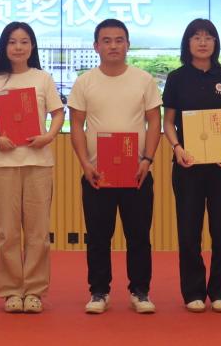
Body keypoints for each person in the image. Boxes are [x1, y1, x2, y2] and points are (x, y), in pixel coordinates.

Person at [68, 18, 162, 315]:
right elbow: (76, 124)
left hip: (137, 173)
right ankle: (99, 292)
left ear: (128, 45)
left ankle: (140, 291)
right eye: (106, 40)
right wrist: (85, 164)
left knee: (139, 236)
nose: (113, 46)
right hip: (98, 174)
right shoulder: (85, 81)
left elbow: (155, 121)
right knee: (98, 237)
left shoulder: (143, 79)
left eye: (119, 40)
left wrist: (147, 159)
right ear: (96, 46)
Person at [0, 22, 65, 314]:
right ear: (4, 46)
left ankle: (35, 291)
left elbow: (58, 113)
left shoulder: (42, 78)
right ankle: (12, 291)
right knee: (7, 232)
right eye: (12, 42)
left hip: (38, 162)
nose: (18, 47)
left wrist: (48, 136)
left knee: (38, 232)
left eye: (24, 42)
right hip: (3, 164)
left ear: (32, 46)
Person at [162, 19, 221, 313]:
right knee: (188, 230)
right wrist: (177, 148)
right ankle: (193, 291)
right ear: (188, 43)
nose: (203, 42)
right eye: (196, 37)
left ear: (215, 43)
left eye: (208, 37)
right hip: (187, 164)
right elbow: (168, 122)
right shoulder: (176, 78)